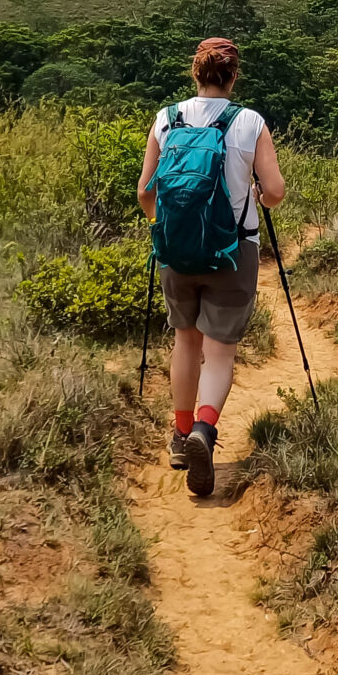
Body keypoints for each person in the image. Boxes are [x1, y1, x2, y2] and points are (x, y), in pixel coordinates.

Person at [136, 35, 288, 496]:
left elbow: (145, 192)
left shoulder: (166, 119)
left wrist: (168, 225)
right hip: (233, 250)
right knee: (219, 352)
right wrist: (259, 196)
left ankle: (181, 437)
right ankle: (205, 428)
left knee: (186, 340)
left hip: (177, 251)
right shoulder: (249, 123)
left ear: (195, 73)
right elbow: (276, 193)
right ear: (234, 76)